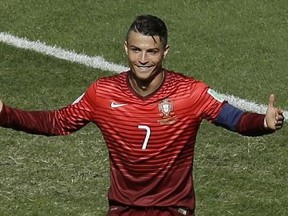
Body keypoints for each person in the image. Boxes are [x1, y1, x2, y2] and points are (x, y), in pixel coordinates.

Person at [0, 15, 284, 216]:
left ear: (165, 52)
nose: (143, 59)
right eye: (136, 50)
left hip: (174, 209)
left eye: (152, 51)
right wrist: (5, 113)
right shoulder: (102, 93)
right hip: (122, 209)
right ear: (125, 48)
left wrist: (262, 122)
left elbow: (233, 118)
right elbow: (56, 122)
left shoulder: (190, 93)